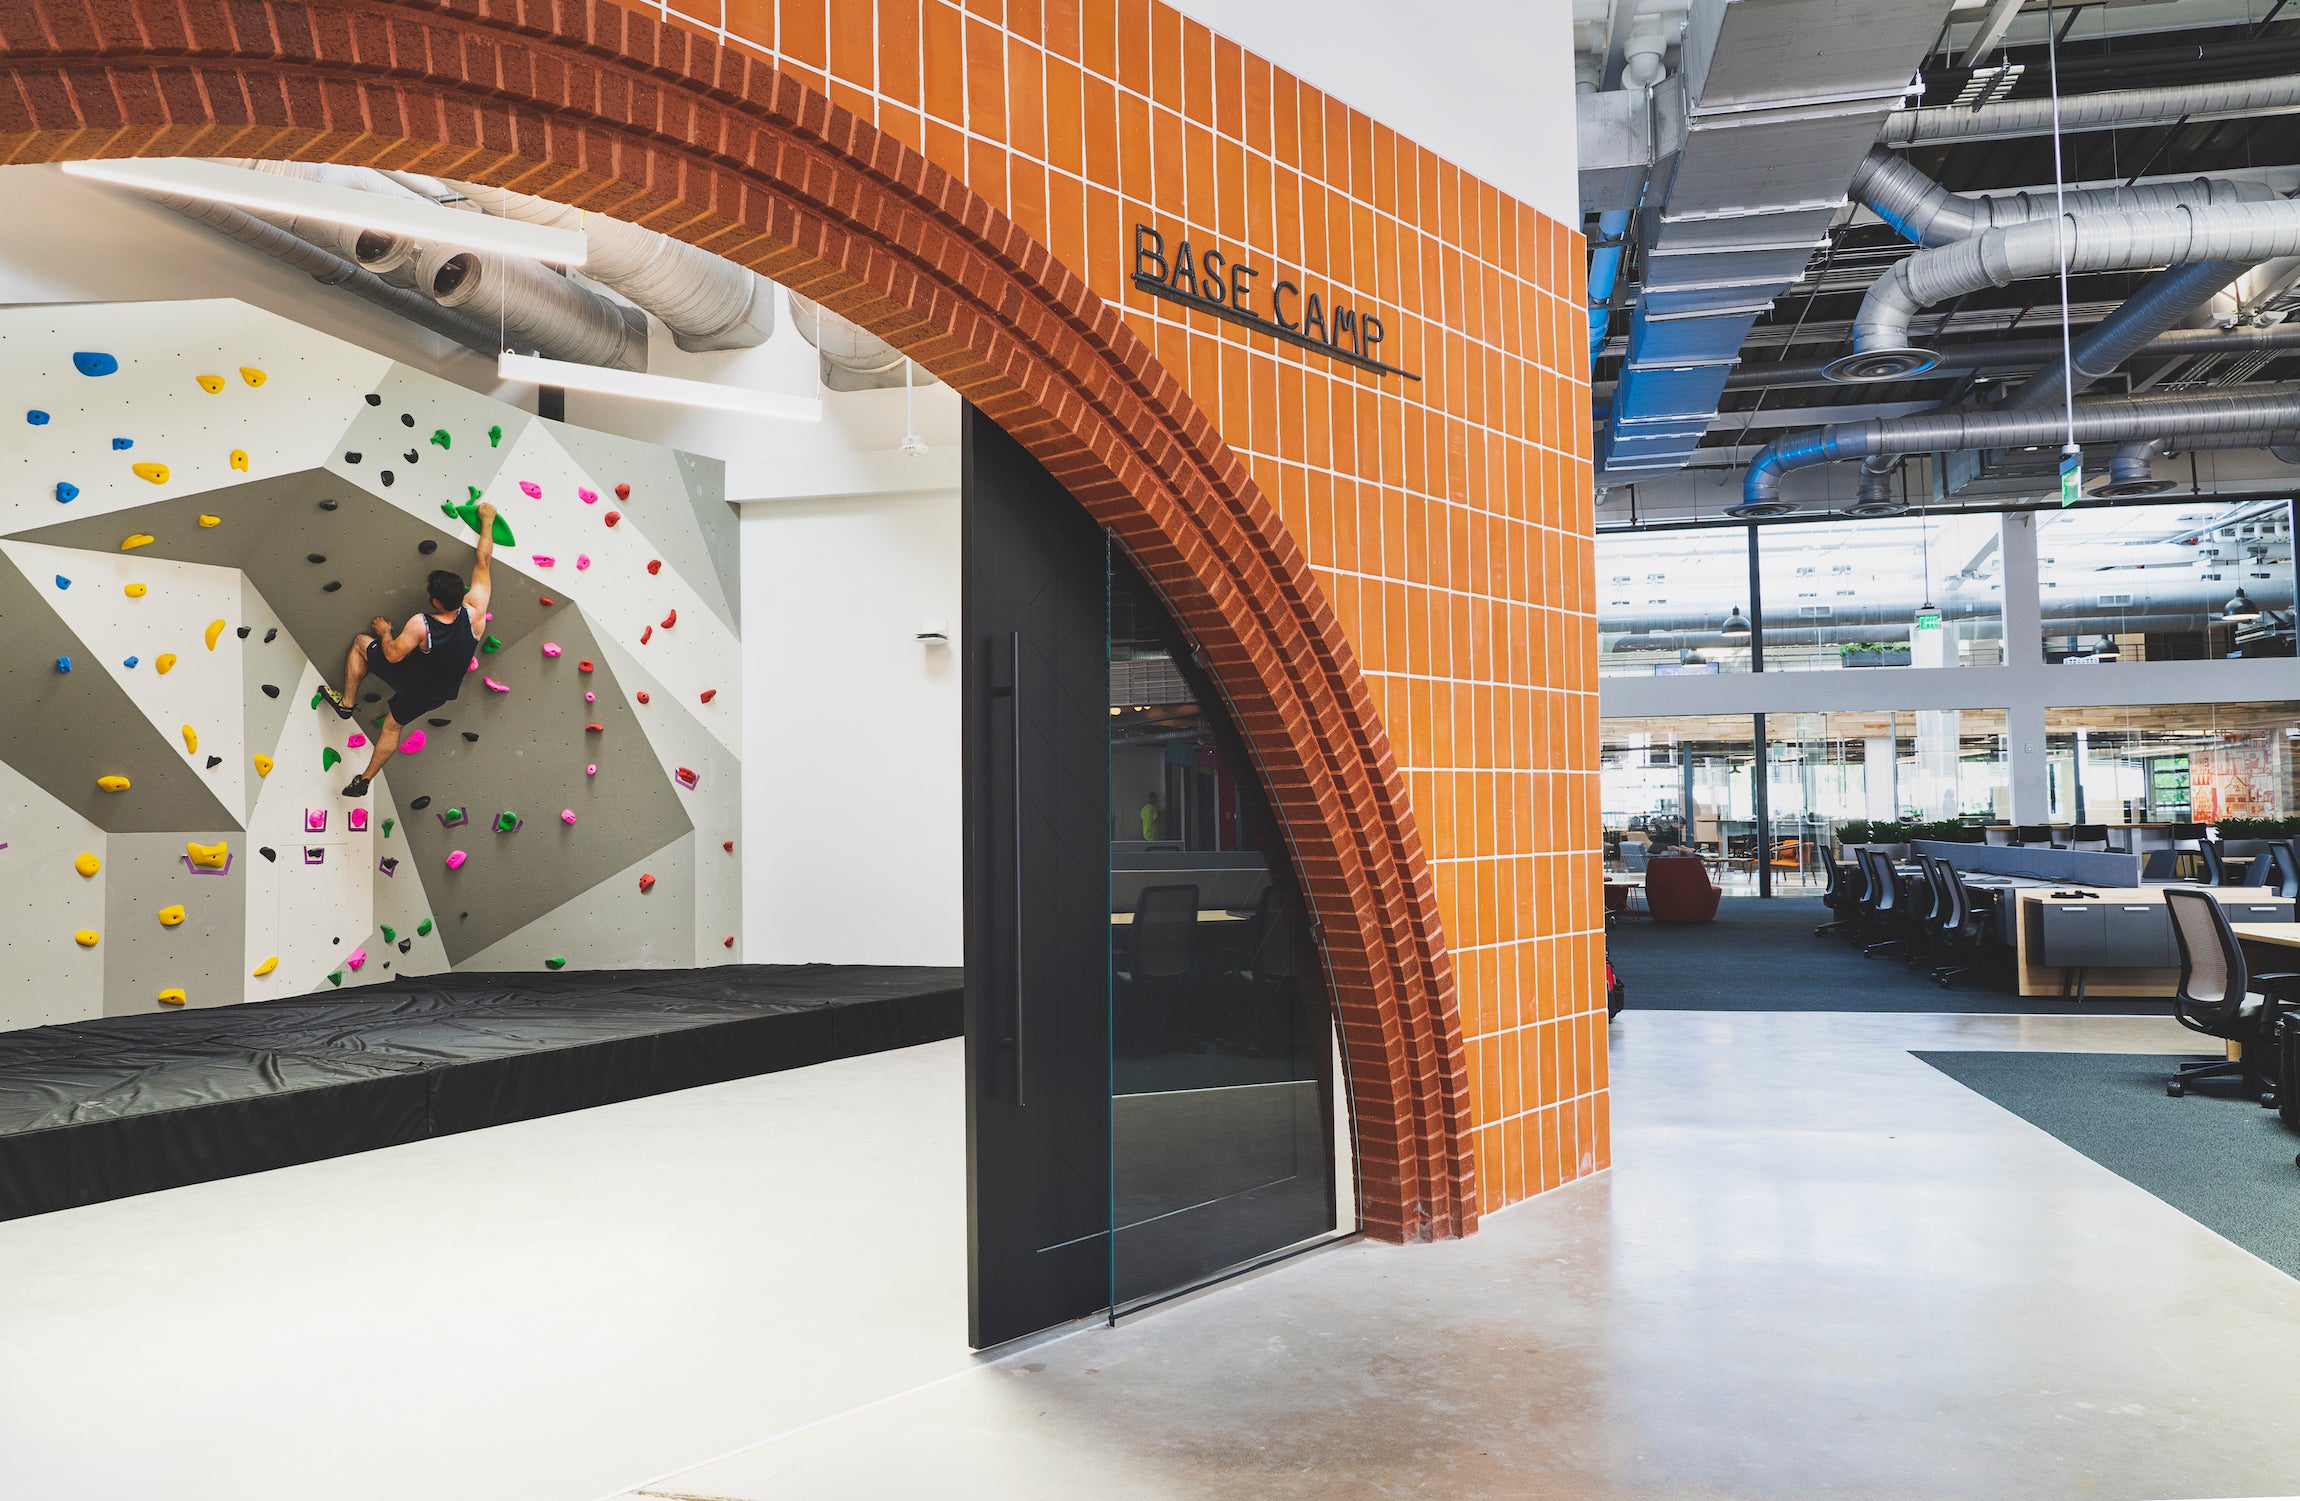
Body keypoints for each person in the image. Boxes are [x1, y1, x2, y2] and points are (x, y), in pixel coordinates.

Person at [322, 501, 496, 797]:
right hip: (437, 693)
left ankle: (347, 703)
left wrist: (385, 631)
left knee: (361, 644)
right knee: (392, 727)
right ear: (461, 594)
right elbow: (484, 560)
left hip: (409, 678)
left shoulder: (422, 624)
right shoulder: (476, 612)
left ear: (437, 602)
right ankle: (364, 780)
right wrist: (487, 520)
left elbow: (391, 655)